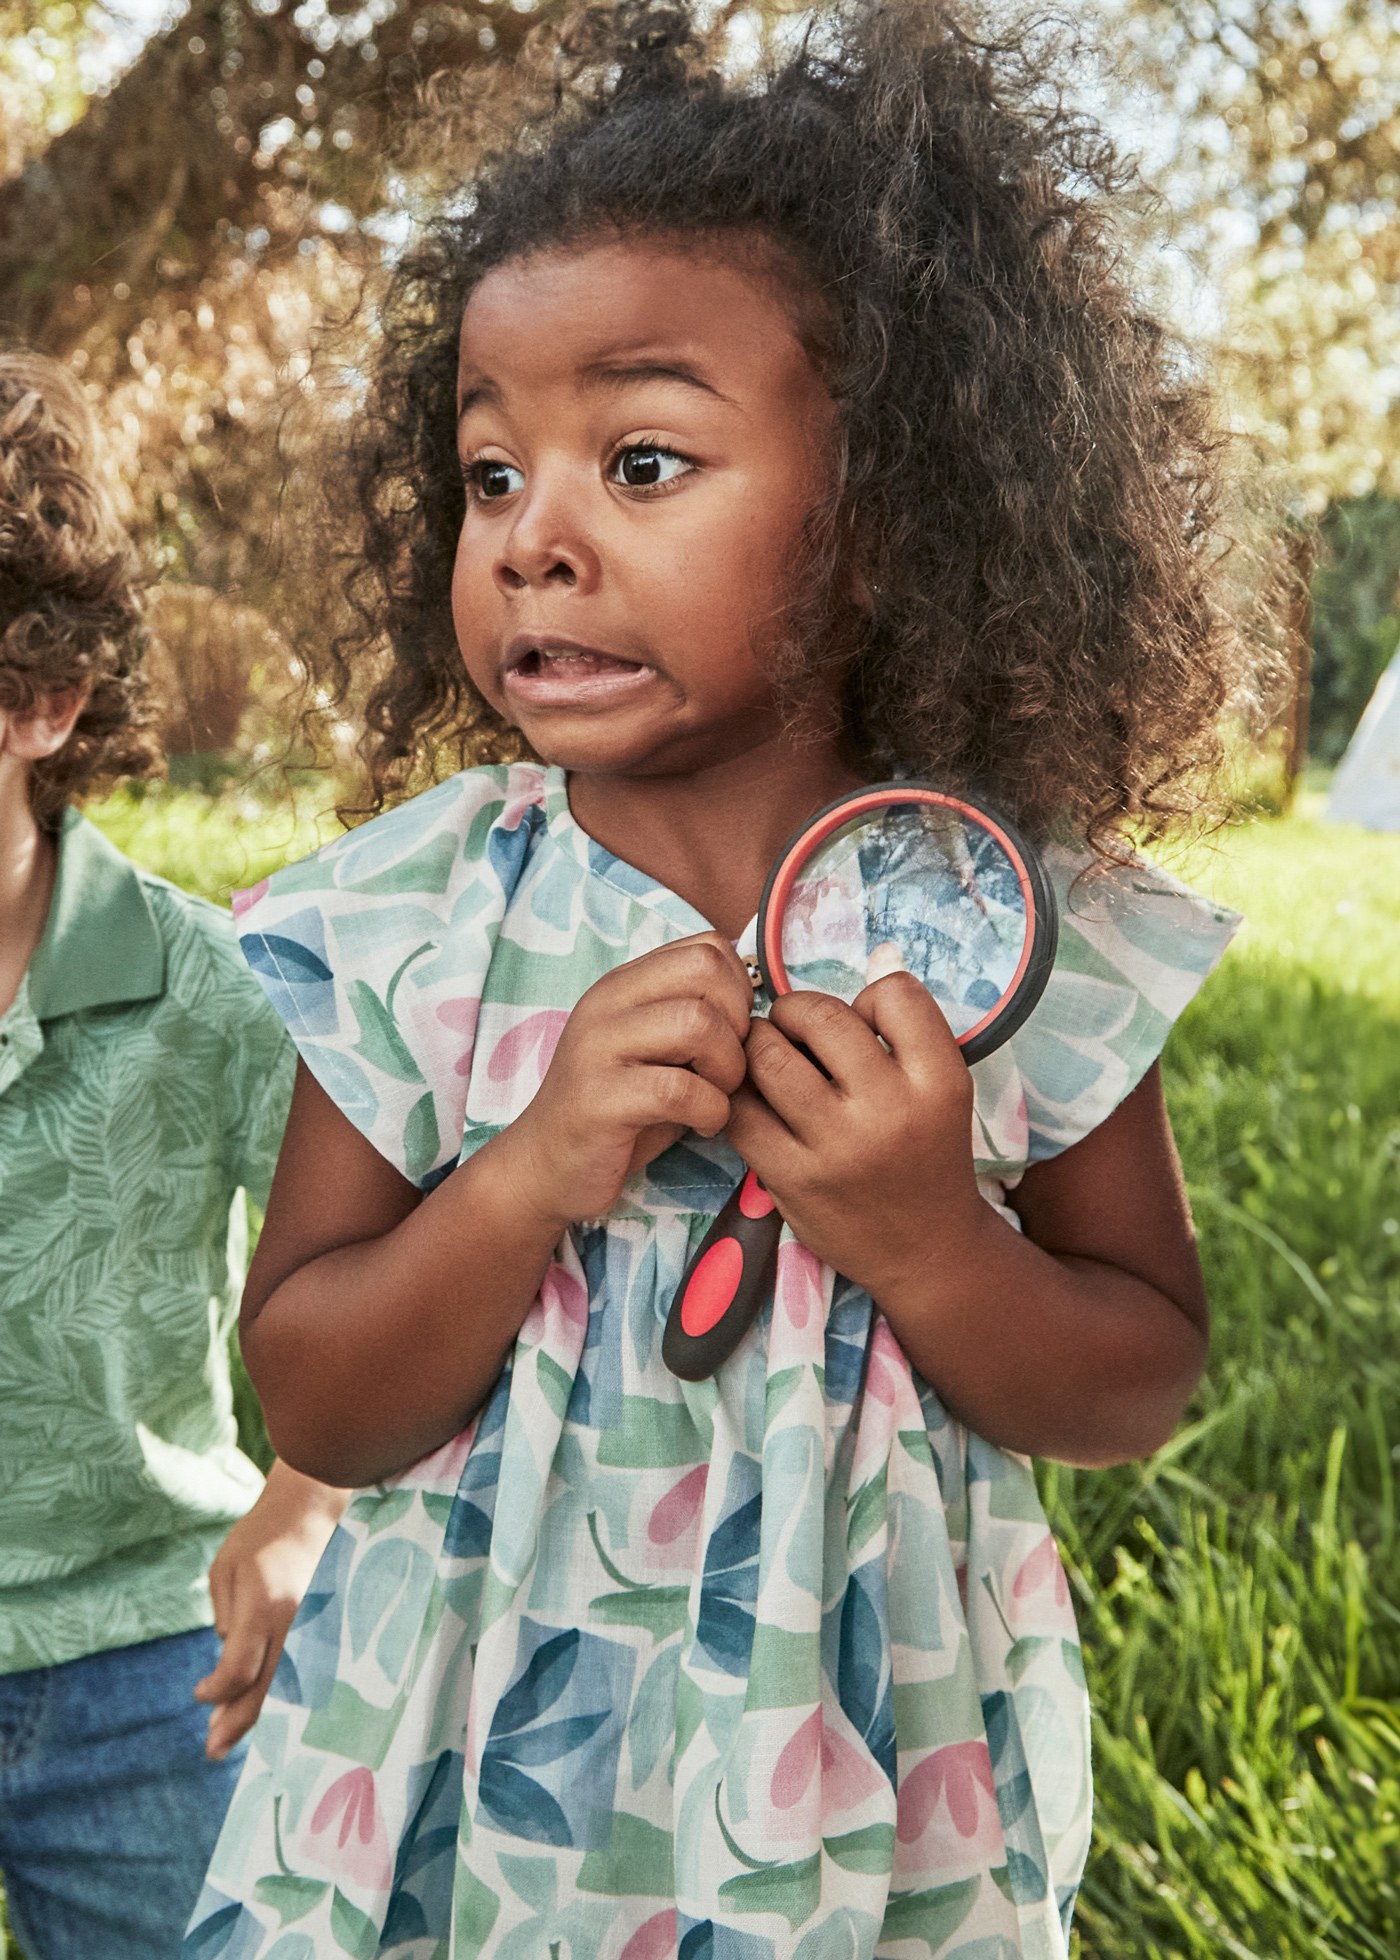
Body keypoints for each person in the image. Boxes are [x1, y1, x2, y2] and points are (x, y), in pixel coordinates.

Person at [183, 3, 1266, 1954]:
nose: (536, 541)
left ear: (880, 516)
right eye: (491, 473)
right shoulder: (419, 917)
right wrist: (518, 1177)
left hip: (851, 1769)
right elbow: (318, 1394)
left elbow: (1138, 1370)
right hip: (465, 1750)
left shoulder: (1019, 915)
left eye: (645, 458)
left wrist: (933, 1240)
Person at [0, 350, 350, 1959]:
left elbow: (380, 1280)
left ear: (43, 700)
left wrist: (297, 1512)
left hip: (150, 1660)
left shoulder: (204, 983)